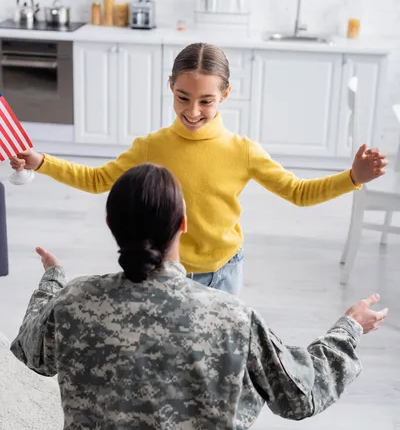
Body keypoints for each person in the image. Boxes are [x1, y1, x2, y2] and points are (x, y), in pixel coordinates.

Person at [11, 164, 388, 430]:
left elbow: (32, 350)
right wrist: (348, 328)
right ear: (184, 223)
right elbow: (301, 394)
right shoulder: (230, 318)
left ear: (111, 223)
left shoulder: (76, 300)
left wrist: (53, 281)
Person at [10, 43, 388, 296]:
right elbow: (98, 181)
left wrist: (353, 178)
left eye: (206, 101)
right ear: (170, 86)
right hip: (163, 273)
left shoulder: (243, 151)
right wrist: (42, 162)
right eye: (183, 98)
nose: (193, 111)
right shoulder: (151, 146)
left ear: (225, 94)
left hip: (224, 273)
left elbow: (299, 193)